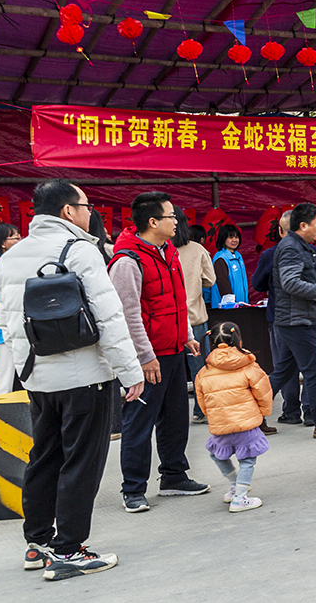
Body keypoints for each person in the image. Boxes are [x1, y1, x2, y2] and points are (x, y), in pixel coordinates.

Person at [0, 180, 144, 580]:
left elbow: (8, 324)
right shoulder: (80, 250)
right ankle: (69, 550)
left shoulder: (12, 256)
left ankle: (37, 544)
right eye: (85, 204)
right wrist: (130, 371)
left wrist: (27, 370)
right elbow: (109, 316)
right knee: (82, 461)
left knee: (44, 457)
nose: (89, 211)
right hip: (84, 377)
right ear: (67, 211)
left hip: (39, 380)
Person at [109, 191, 210, 513]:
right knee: (139, 422)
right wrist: (144, 355)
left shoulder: (168, 252)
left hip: (173, 350)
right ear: (153, 222)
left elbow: (174, 303)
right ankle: (133, 489)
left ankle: (174, 477)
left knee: (176, 418)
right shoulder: (128, 261)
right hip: (147, 357)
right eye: (171, 217)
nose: (176, 222)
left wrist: (184, 337)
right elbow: (128, 315)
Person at [268, 203, 316, 437]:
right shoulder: (291, 248)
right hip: (297, 321)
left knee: (282, 373)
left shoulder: (299, 246)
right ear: (303, 225)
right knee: (315, 372)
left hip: (296, 319)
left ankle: (251, 416)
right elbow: (290, 282)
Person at [193, 322, 271, 513]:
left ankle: (234, 484)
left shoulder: (204, 371)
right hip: (246, 422)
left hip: (221, 423)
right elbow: (263, 392)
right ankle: (240, 497)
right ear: (239, 340)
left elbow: (201, 400)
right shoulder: (248, 365)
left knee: (217, 453)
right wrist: (263, 412)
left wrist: (212, 416)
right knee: (248, 460)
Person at [250, 211, 293, 434]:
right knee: (313, 368)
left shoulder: (270, 254)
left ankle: (291, 410)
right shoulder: (315, 252)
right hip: (310, 319)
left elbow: (257, 284)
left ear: (279, 230)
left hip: (279, 316)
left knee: (283, 366)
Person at [172, 212, 216, 424]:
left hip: (167, 318)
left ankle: (171, 413)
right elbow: (210, 280)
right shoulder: (198, 250)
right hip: (195, 317)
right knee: (199, 366)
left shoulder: (157, 249)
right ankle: (201, 410)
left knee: (169, 368)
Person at [0, 223, 22, 396]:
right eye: (14, 237)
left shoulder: (9, 265)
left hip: (15, 329)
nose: (19, 239)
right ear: (2, 243)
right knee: (2, 382)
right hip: (1, 332)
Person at [206, 224, 249, 308]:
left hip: (241, 306)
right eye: (230, 237)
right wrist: (231, 305)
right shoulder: (220, 259)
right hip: (228, 308)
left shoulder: (238, 256)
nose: (234, 240)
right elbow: (223, 284)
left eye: (236, 237)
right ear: (223, 239)